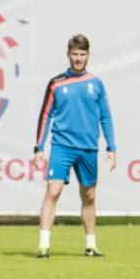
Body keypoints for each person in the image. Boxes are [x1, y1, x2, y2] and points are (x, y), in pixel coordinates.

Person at [32, 34, 116, 258]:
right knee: (53, 190)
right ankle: (43, 244)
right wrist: (39, 148)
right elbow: (45, 115)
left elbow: (105, 116)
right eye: (75, 54)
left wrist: (111, 147)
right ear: (68, 55)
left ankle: (90, 245)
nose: (78, 58)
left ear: (88, 55)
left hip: (88, 147)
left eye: (82, 54)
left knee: (89, 195)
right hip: (62, 145)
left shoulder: (96, 83)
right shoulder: (57, 83)